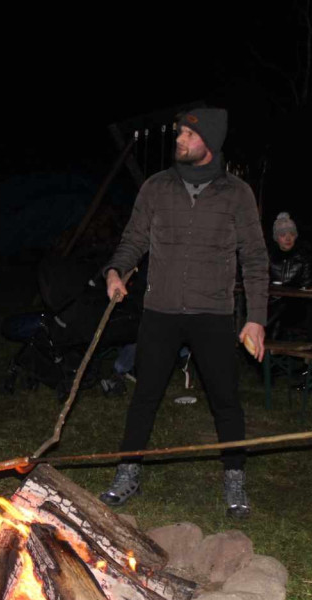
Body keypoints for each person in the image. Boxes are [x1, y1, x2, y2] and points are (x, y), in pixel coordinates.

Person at [99, 108, 269, 518]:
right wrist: (115, 270)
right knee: (144, 396)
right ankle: (128, 471)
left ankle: (234, 478)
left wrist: (256, 318)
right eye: (180, 132)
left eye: (188, 134)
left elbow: (256, 257)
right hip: (161, 311)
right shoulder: (157, 187)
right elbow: (133, 238)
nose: (179, 139)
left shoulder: (237, 194)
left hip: (213, 313)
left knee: (226, 400)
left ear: (208, 141)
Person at [266, 212, 312, 339]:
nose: (288, 238)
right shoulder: (267, 256)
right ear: (276, 237)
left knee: (284, 310)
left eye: (291, 234)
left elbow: (306, 285)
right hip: (269, 304)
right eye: (283, 235)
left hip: (293, 308)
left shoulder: (302, 257)